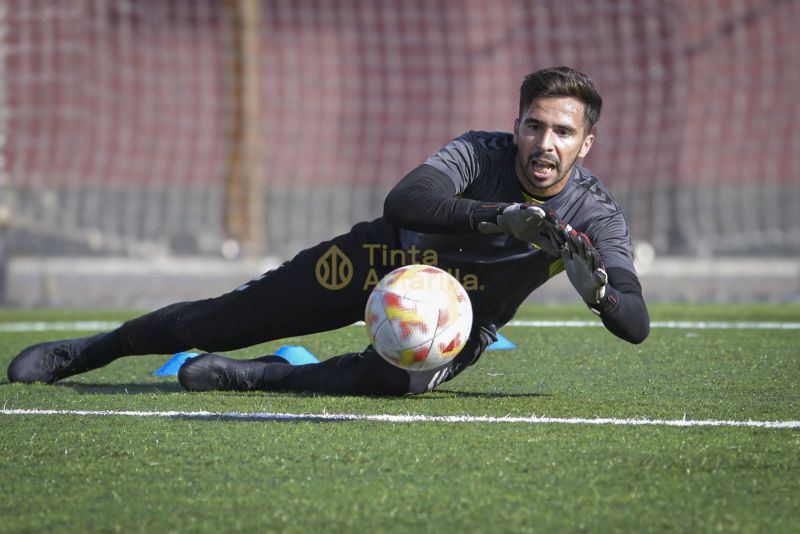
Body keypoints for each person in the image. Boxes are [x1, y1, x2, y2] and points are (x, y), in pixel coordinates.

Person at [7, 66, 649, 395]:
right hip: (379, 257)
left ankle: (256, 377)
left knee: (398, 383)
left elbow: (635, 322)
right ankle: (89, 352)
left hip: (460, 318)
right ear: (517, 127)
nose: (544, 141)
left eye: (562, 131)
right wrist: (496, 217)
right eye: (534, 125)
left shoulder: (595, 215)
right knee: (219, 319)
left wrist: (599, 295)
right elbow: (406, 200)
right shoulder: (480, 153)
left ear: (585, 144)